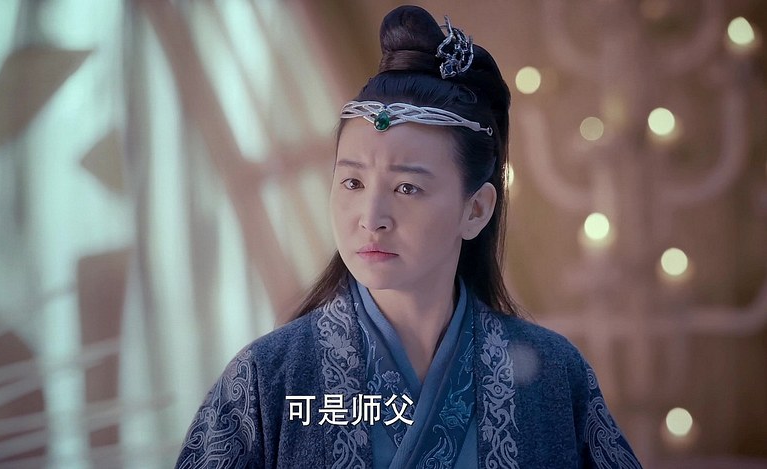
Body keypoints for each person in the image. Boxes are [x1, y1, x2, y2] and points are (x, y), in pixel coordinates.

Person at [176, 5, 641, 468]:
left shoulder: (553, 376)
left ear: (476, 209)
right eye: (352, 182)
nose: (371, 218)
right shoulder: (267, 379)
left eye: (407, 188)